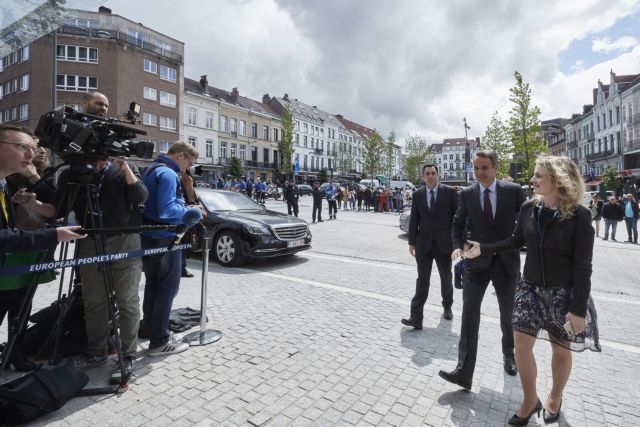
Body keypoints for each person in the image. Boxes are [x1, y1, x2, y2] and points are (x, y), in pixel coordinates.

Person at [462, 156, 600, 425]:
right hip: (529, 289)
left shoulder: (580, 217)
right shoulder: (528, 208)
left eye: (538, 176)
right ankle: (529, 400)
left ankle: (555, 397)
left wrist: (578, 309)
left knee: (560, 349)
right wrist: (483, 248)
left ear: (557, 179)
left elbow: (584, 267)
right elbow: (515, 241)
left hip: (564, 293)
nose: (532, 180)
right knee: (521, 345)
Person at [57, 91, 149, 382]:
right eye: (99, 103)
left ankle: (128, 354)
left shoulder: (123, 167)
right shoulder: (75, 168)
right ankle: (96, 351)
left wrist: (125, 168)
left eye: (107, 105)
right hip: (89, 240)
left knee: (127, 301)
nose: (104, 107)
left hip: (124, 240)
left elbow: (141, 197)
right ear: (85, 105)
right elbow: (59, 207)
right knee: (94, 301)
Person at [439, 150, 526, 390]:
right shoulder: (467, 194)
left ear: (496, 168)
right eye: (476, 168)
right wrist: (457, 246)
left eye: (485, 167)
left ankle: (509, 355)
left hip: (506, 263)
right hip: (475, 265)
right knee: (469, 314)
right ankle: (463, 372)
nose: (480, 172)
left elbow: (523, 230)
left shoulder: (514, 191)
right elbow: (457, 224)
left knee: (508, 314)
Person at [0, 125, 85, 371]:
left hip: (25, 249)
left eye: (34, 147)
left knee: (21, 306)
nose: (32, 153)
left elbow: (56, 206)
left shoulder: (17, 178)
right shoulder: (8, 179)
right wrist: (53, 235)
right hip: (15, 247)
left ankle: (15, 353)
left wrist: (34, 180)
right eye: (23, 147)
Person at [141, 141, 200, 357]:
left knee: (153, 286)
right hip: (165, 239)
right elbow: (166, 210)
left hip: (149, 238)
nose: (188, 168)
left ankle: (149, 328)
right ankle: (160, 341)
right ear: (181, 155)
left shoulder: (151, 170)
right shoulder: (168, 174)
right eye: (189, 163)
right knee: (167, 289)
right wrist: (190, 210)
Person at [402, 164, 458, 329]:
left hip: (444, 244)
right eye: (427, 173)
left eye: (433, 173)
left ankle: (447, 306)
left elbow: (458, 218)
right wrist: (411, 242)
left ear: (438, 175)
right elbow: (414, 219)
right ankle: (416, 317)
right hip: (423, 244)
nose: (431, 176)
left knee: (446, 278)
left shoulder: (449, 192)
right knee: (422, 280)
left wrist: (458, 243)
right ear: (423, 177)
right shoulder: (418, 194)